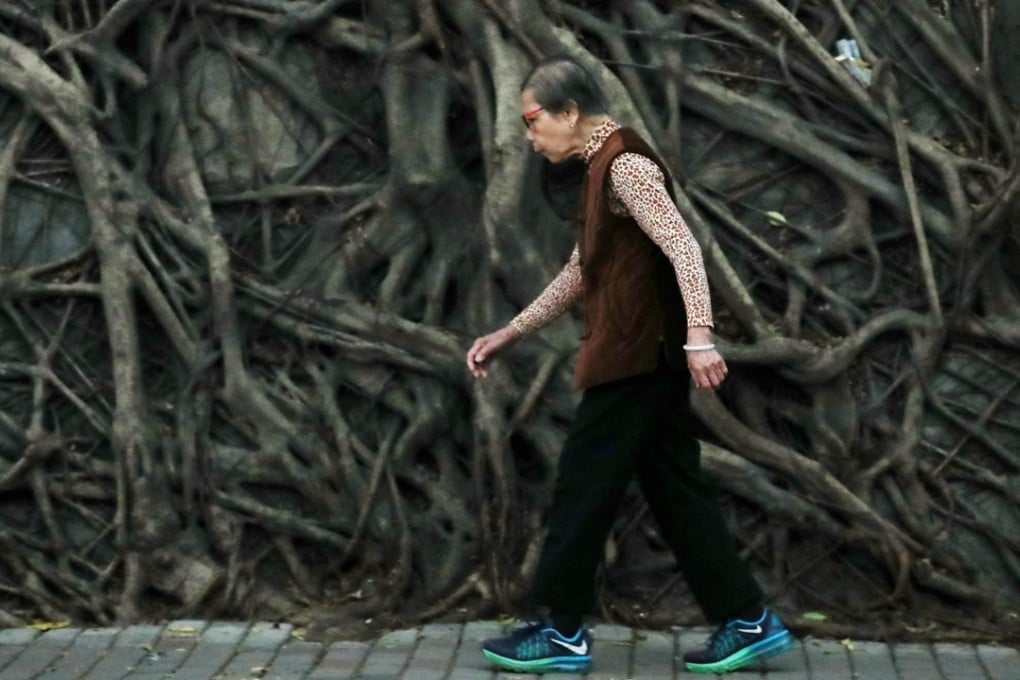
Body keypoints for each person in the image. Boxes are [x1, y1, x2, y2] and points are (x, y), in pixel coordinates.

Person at [465, 55, 794, 675]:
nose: (528, 136)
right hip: (643, 357)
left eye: (532, 120)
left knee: (583, 486)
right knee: (676, 490)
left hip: (639, 358)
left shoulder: (628, 166)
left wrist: (700, 335)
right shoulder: (598, 171)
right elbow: (576, 274)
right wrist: (510, 331)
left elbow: (683, 246)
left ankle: (561, 630)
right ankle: (747, 618)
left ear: (570, 112)